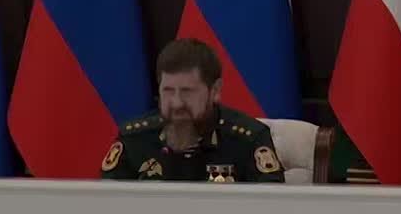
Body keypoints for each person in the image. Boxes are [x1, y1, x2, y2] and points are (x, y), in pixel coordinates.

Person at [100, 38, 286, 182]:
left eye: (187, 92)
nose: (176, 103)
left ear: (215, 91)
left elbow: (273, 205)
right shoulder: (134, 139)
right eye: (168, 91)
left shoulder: (248, 140)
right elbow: (105, 202)